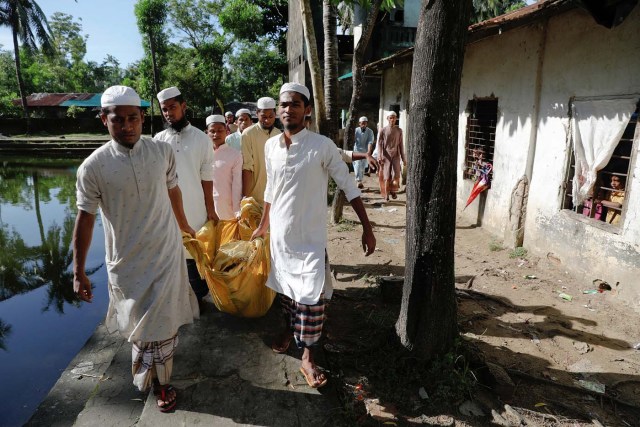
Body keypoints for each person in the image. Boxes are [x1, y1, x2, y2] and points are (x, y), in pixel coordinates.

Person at [72, 85, 199, 413]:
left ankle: (162, 382)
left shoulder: (161, 152)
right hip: (127, 262)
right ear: (104, 119)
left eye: (133, 118)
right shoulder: (93, 167)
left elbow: (173, 191)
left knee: (166, 324)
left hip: (167, 252)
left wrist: (185, 226)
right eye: (118, 120)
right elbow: (84, 221)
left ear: (143, 118)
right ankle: (154, 377)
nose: (127, 125)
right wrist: (79, 271)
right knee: (142, 330)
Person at [251, 83, 376, 389]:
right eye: (283, 104)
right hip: (281, 237)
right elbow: (270, 190)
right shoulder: (271, 147)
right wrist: (263, 225)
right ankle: (287, 331)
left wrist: (367, 227)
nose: (286, 109)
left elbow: (347, 185)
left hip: (310, 240)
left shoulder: (322, 146)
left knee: (311, 299)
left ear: (306, 110)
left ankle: (308, 355)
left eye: (294, 104)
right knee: (286, 292)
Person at [155, 86, 217, 303]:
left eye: (173, 107)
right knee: (171, 255)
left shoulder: (202, 139)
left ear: (184, 106)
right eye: (164, 109)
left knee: (195, 255)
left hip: (196, 209)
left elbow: (207, 178)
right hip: (167, 211)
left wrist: (211, 209)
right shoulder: (158, 140)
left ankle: (199, 298)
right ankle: (177, 301)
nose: (169, 113)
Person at [241, 96, 281, 205]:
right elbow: (247, 167)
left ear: (275, 114)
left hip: (276, 197)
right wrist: (246, 198)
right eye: (263, 116)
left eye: (271, 116)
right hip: (255, 198)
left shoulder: (279, 135)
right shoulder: (248, 134)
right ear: (257, 113)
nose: (267, 120)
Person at [206, 114, 243, 219]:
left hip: (226, 208)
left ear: (227, 132)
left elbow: (237, 185)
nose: (216, 134)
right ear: (206, 133)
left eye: (220, 130)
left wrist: (237, 210)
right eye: (212, 131)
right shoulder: (202, 154)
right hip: (203, 207)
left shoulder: (235, 155)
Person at [377, 111, 407, 201]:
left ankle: (393, 190)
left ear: (396, 119)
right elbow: (379, 144)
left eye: (394, 118)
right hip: (386, 156)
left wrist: (403, 158)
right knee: (386, 176)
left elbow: (401, 145)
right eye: (391, 118)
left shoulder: (399, 130)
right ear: (387, 119)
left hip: (396, 155)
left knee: (396, 175)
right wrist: (379, 156)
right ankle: (386, 194)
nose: (392, 119)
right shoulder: (383, 130)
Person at [354, 116, 374, 189]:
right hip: (357, 150)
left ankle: (360, 181)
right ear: (359, 123)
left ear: (367, 124)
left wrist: (369, 151)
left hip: (365, 151)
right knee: (357, 165)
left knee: (362, 167)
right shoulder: (355, 130)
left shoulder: (370, 131)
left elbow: (370, 142)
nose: (363, 125)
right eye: (362, 123)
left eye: (365, 123)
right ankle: (358, 180)